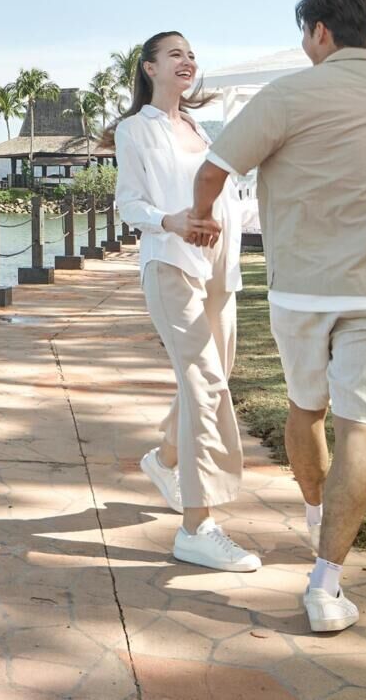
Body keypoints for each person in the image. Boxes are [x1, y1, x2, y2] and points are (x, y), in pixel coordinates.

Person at [180, 0, 366, 635]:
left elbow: (212, 171)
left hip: (304, 283)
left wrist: (202, 218)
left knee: (306, 408)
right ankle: (326, 583)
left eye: (304, 32)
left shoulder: (286, 95)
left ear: (320, 31)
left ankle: (319, 514)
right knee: (361, 429)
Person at [110, 30, 261, 574]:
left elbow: (232, 200)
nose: (187, 60)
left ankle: (165, 458)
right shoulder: (135, 129)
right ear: (149, 68)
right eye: (175, 53)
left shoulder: (200, 128)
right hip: (171, 262)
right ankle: (197, 527)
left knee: (216, 373)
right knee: (204, 384)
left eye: (191, 54)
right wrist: (169, 220)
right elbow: (129, 202)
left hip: (221, 264)